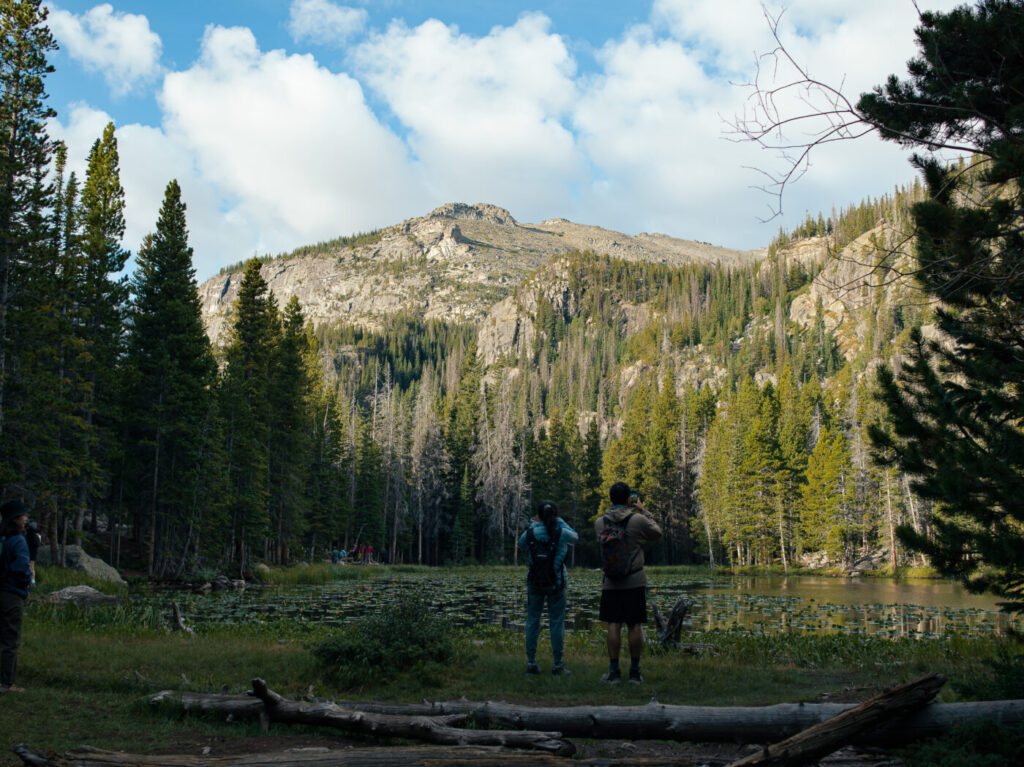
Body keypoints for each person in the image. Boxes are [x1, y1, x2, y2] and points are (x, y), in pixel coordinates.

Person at [594, 482, 662, 684]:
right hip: (634, 581)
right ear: (628, 499)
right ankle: (634, 672)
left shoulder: (600, 522)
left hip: (611, 582)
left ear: (610, 499)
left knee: (613, 624)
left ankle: (614, 672)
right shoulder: (638, 520)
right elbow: (657, 533)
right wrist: (644, 511)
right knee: (634, 625)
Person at [518, 499, 578, 676]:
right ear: (555, 514)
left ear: (538, 514)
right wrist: (559, 521)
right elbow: (576, 537)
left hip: (534, 583)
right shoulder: (562, 532)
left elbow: (521, 544)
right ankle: (558, 665)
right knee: (557, 623)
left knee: (532, 621)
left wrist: (535, 524)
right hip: (557, 583)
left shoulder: (530, 532)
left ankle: (531, 663)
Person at [0, 499, 33, 693]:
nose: (26, 518)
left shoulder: (2, 538)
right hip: (12, 594)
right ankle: (6, 683)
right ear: (16, 519)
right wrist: (26, 586)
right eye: (23, 515)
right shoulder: (19, 540)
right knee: (10, 639)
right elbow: (22, 569)